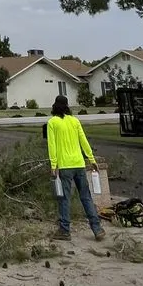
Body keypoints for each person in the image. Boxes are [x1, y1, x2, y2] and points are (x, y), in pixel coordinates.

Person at [47, 94, 105, 241]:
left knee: (64, 199)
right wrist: (91, 159)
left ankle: (65, 230)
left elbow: (51, 146)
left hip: (65, 166)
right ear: (67, 106)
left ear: (55, 106)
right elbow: (83, 141)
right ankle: (97, 228)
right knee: (86, 197)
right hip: (79, 164)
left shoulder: (52, 122)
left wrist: (53, 165)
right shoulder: (75, 121)